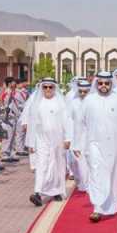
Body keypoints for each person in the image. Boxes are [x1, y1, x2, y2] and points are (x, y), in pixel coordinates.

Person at [74, 71, 117, 222]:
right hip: (94, 144)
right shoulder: (89, 100)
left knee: (114, 175)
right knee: (96, 173)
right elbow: (80, 123)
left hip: (116, 145)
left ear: (111, 83)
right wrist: (77, 144)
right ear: (96, 84)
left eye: (106, 83)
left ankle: (111, 206)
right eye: (100, 83)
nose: (103, 86)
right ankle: (97, 208)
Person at [26, 78, 72, 206]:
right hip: (41, 140)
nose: (47, 90)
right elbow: (32, 125)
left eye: (50, 87)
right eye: (45, 87)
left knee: (57, 165)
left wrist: (68, 138)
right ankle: (37, 193)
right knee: (42, 165)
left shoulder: (60, 103)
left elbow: (67, 122)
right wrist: (31, 143)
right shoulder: (37, 103)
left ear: (54, 88)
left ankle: (56, 191)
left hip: (58, 140)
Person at [68, 79, 92, 191]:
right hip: (77, 137)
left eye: (85, 92)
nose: (82, 94)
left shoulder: (94, 103)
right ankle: (83, 182)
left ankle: (89, 184)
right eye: (81, 91)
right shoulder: (73, 103)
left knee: (91, 162)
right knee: (78, 162)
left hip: (92, 138)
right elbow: (69, 121)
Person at [0, 77, 26, 163]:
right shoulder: (6, 93)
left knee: (11, 137)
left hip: (13, 116)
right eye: (13, 82)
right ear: (9, 83)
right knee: (7, 136)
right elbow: (5, 104)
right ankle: (5, 154)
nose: (14, 84)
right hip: (7, 117)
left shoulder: (11, 92)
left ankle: (10, 153)